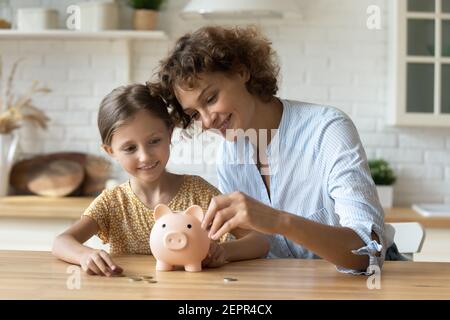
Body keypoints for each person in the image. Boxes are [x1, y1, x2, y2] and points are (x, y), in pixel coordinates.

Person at [148, 25, 396, 275]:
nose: (208, 121)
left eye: (211, 99)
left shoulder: (327, 130)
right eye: (194, 114)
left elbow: (369, 253)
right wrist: (220, 251)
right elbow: (261, 243)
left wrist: (278, 220)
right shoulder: (230, 154)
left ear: (241, 71)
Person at [52, 84, 269, 276]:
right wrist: (85, 255)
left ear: (169, 132)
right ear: (110, 151)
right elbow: (61, 242)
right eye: (130, 148)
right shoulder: (112, 203)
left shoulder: (199, 193)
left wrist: (223, 251)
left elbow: (259, 241)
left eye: (154, 141)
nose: (145, 156)